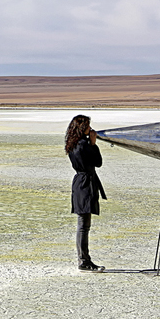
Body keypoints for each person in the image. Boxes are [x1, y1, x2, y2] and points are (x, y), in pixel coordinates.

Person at [64, 114, 107, 271]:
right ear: (82, 129)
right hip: (85, 184)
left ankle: (84, 259)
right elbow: (98, 162)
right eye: (88, 126)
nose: (90, 129)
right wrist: (93, 144)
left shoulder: (73, 144)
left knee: (83, 224)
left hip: (79, 183)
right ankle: (84, 261)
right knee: (83, 225)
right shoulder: (84, 145)